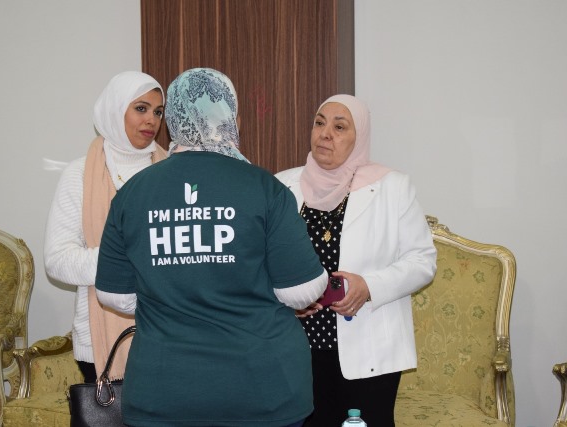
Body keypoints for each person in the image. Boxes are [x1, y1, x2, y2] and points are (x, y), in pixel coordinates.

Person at [95, 68, 329, 427]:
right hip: (261, 390)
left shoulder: (132, 193)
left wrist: (171, 289)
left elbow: (114, 295)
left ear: (174, 121)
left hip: (163, 392)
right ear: (229, 117)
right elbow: (301, 291)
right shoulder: (265, 188)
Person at [275, 94, 437, 427]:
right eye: (319, 123)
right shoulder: (281, 186)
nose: (325, 134)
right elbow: (263, 262)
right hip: (296, 349)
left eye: (340, 127)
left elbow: (422, 260)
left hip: (369, 349)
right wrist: (289, 300)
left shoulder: (392, 187)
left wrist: (369, 286)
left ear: (359, 136)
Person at [44, 71, 167, 383]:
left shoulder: (171, 171)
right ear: (115, 108)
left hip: (168, 336)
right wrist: (127, 257)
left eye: (158, 111)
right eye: (141, 108)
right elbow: (57, 261)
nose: (151, 120)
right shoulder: (79, 174)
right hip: (99, 344)